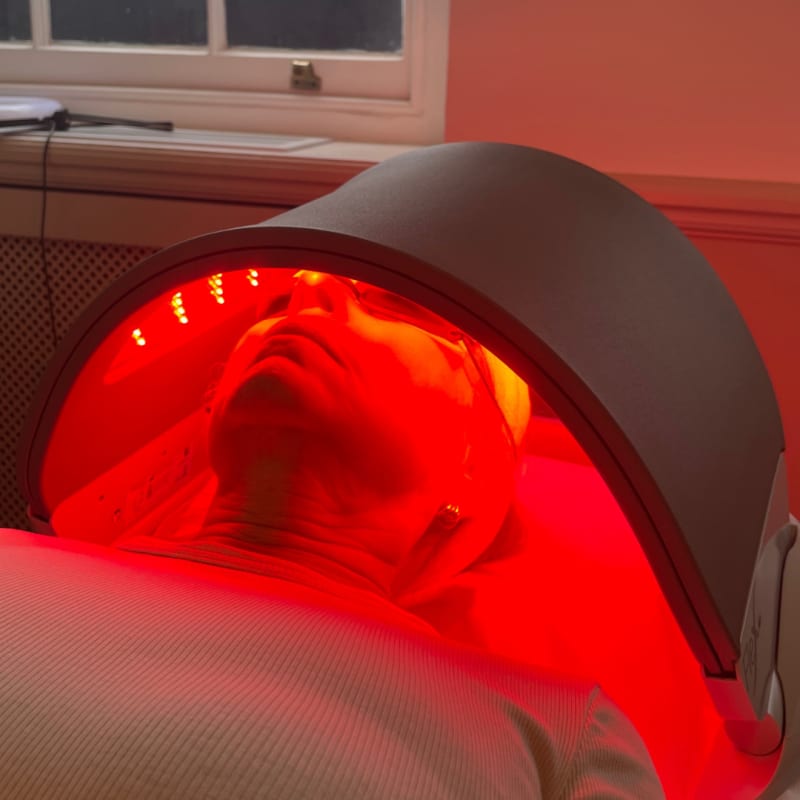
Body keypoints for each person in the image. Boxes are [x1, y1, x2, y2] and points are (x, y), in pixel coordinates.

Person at [0, 270, 665, 798]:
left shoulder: (560, 737)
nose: (311, 292)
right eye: (279, 304)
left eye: (400, 306)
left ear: (473, 462)